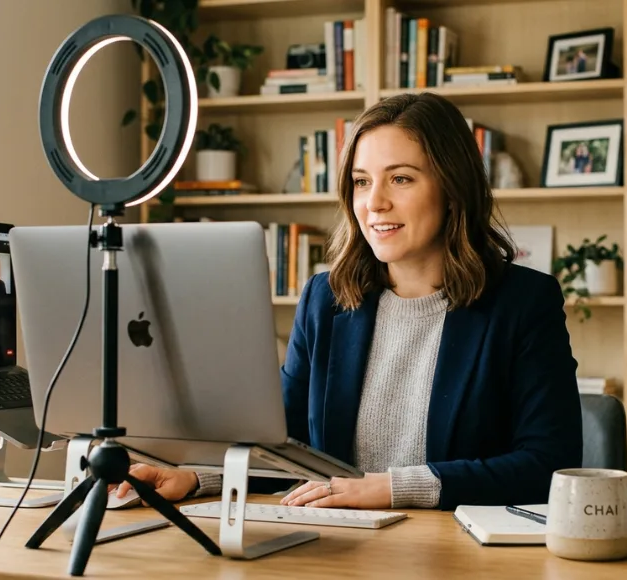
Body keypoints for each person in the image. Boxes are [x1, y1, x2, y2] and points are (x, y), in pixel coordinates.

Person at [113, 92, 583, 511]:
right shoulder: (326, 299)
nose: (374, 202)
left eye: (400, 179)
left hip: (458, 558)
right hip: (337, 549)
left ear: (453, 189)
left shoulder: (524, 303)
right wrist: (197, 477)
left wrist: (391, 488)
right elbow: (284, 446)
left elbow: (548, 465)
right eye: (361, 181)